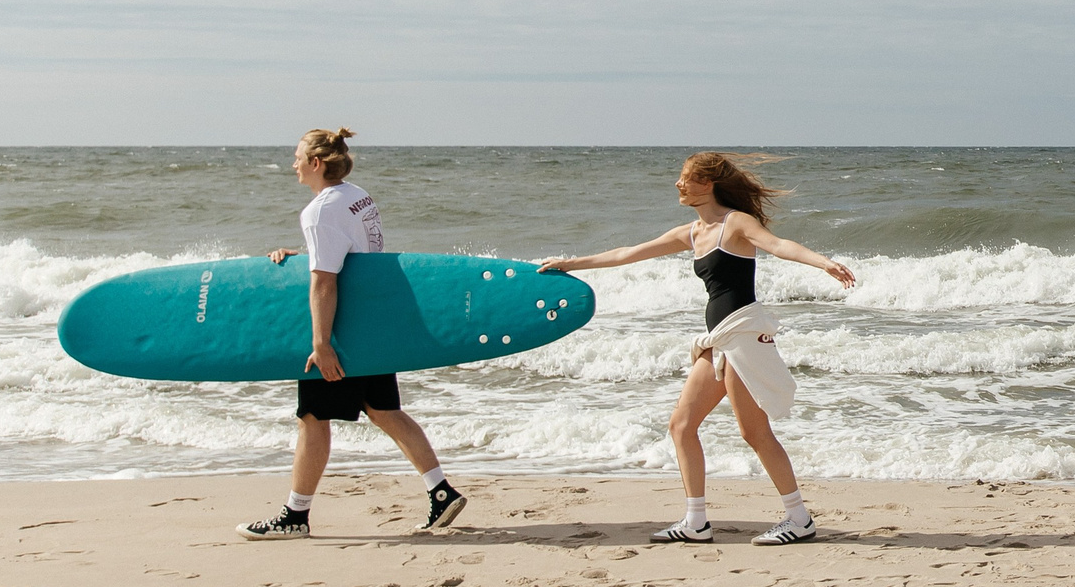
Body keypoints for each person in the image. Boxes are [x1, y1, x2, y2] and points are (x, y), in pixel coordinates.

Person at [538, 151, 854, 545]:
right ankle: (696, 522)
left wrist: (823, 263)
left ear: (708, 183)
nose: (679, 183)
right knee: (682, 426)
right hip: (718, 340)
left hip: (742, 335)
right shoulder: (691, 232)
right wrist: (570, 264)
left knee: (754, 432)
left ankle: (799, 518)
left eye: (686, 177)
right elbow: (627, 254)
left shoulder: (735, 223)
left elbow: (777, 244)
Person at [238, 127, 468, 540]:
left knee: (313, 417)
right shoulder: (356, 196)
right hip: (370, 320)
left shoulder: (318, 211)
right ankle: (441, 491)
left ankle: (295, 516)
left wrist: (321, 343)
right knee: (383, 410)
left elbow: (325, 281)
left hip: (341, 326)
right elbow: (352, 254)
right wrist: (300, 257)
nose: (293, 164)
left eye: (297, 158)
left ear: (316, 163)